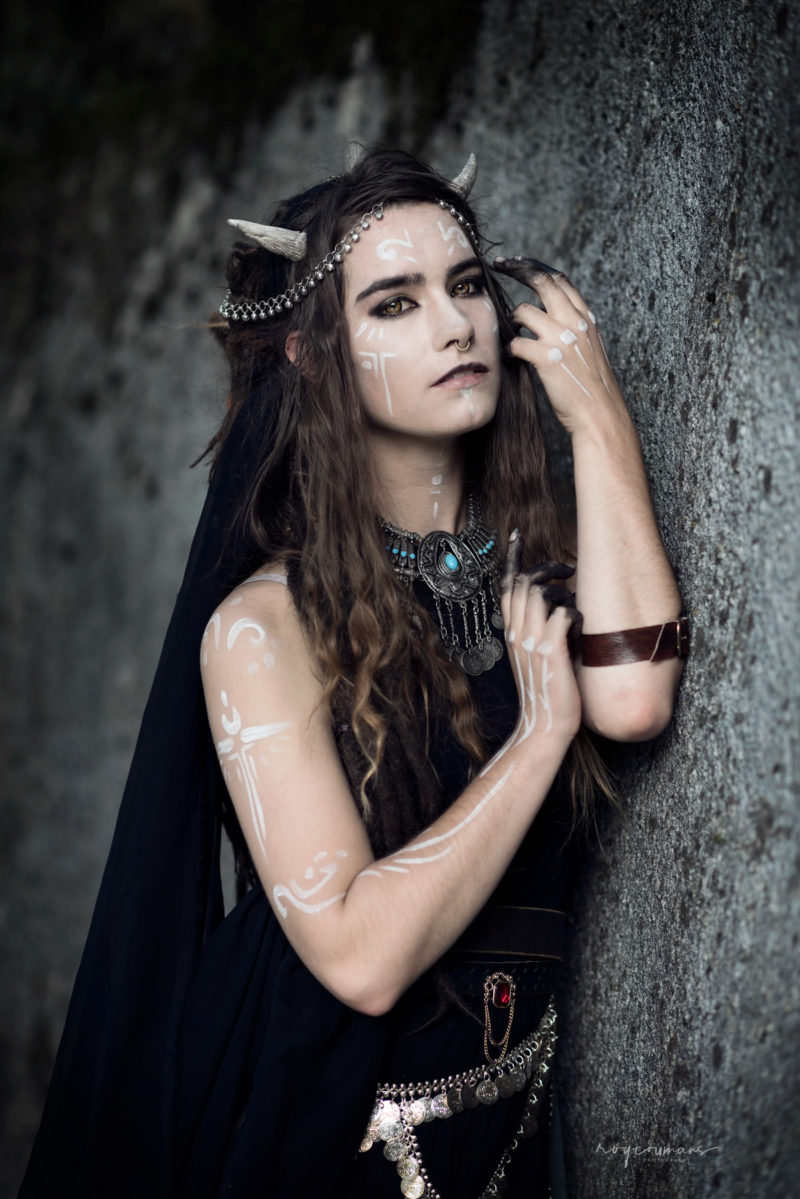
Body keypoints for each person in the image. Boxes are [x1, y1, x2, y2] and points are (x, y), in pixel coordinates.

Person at [20, 147, 687, 1199]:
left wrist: (598, 420)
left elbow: (635, 696)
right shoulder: (260, 628)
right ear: (312, 354)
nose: (454, 325)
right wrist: (533, 742)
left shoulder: (536, 553)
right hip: (321, 1134)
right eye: (394, 303)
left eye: (466, 286)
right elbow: (359, 958)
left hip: (504, 1122)